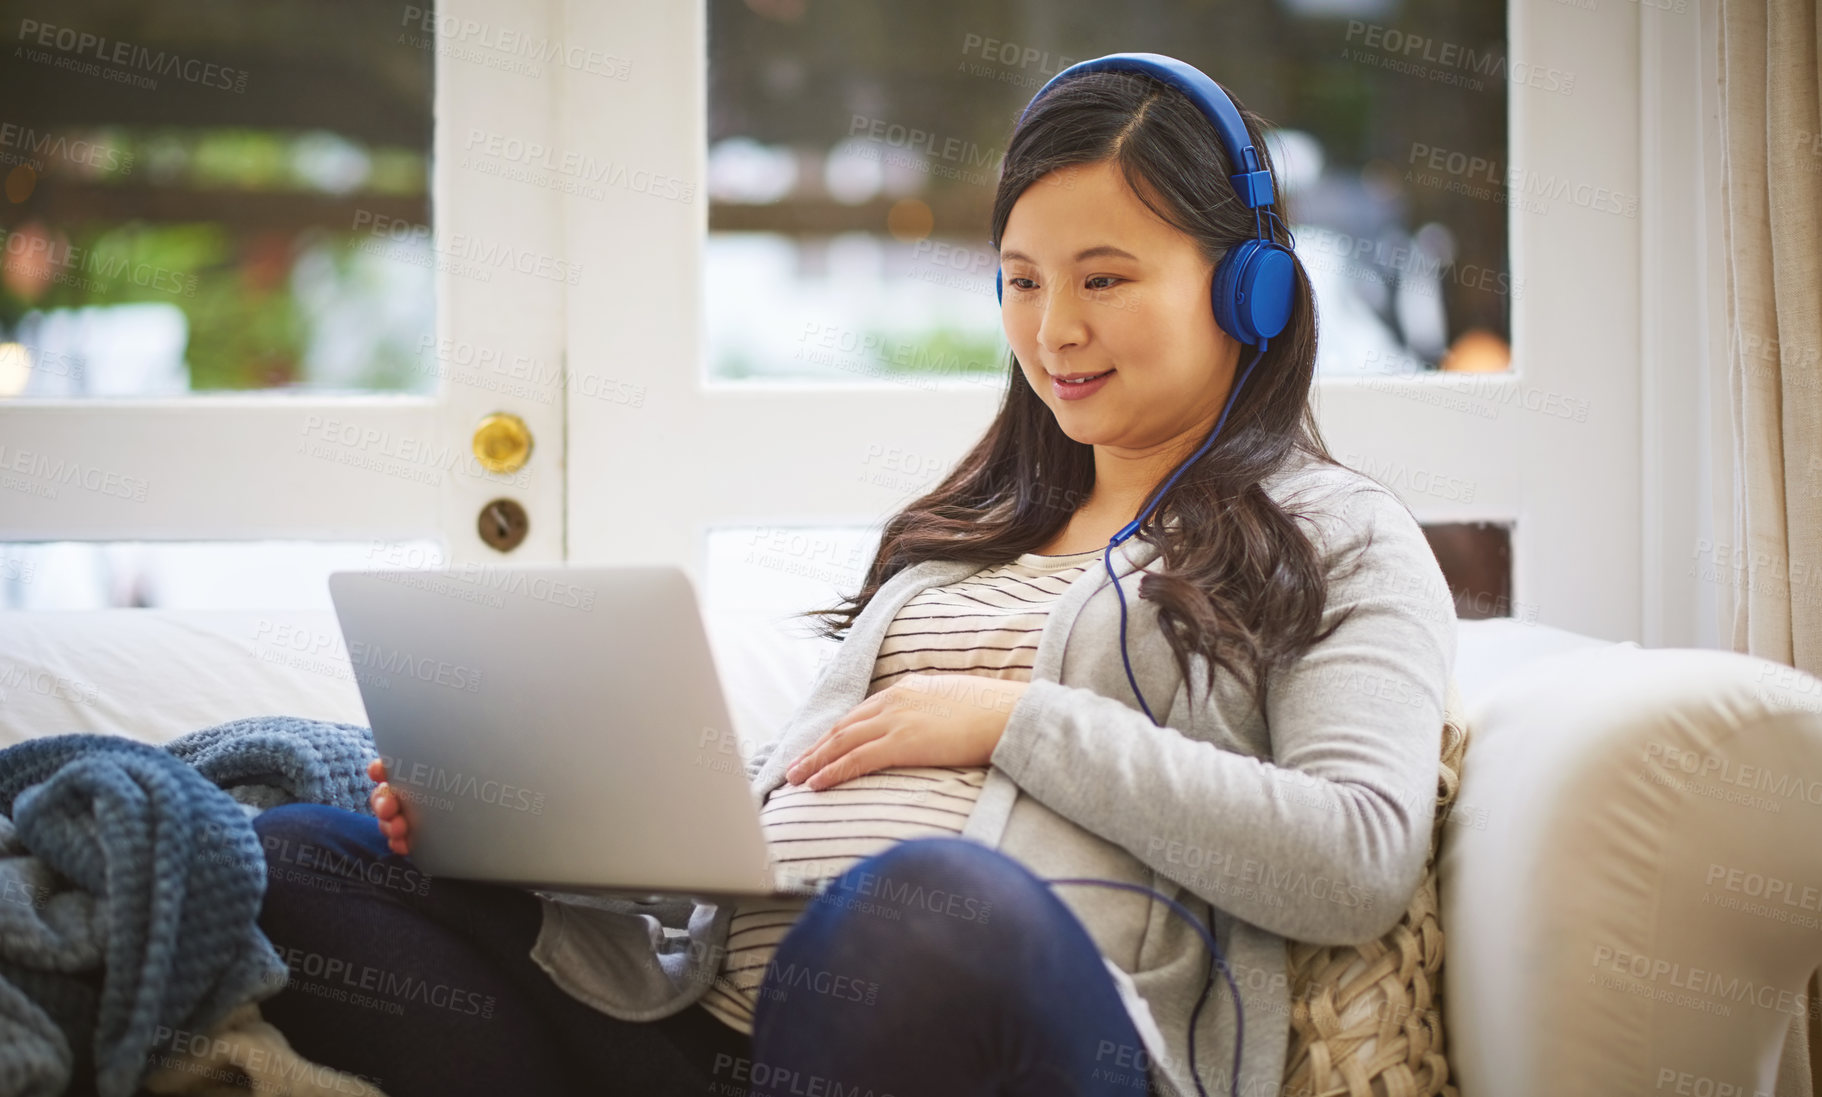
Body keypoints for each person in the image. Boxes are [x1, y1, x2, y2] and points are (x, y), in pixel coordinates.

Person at [248, 58, 1456, 1097]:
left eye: (1103, 278)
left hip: (1006, 1018)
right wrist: (531, 831)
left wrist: (1013, 720)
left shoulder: (1334, 534)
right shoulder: (967, 528)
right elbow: (788, 818)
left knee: (926, 905)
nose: (1052, 331)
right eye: (1021, 280)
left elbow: (1351, 857)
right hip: (704, 1021)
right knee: (292, 858)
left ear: (1249, 286)